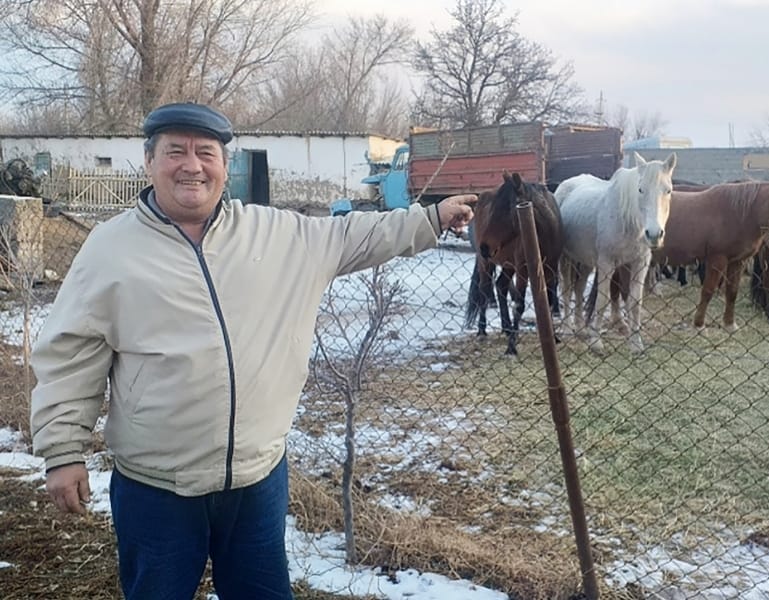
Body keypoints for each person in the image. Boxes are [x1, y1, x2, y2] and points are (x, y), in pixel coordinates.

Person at [29, 102, 476, 600]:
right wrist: (63, 451)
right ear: (150, 161)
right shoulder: (110, 250)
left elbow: (358, 234)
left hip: (256, 479)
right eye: (175, 151)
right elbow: (71, 356)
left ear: (224, 164)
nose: (192, 165)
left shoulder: (277, 233)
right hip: (157, 486)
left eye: (206, 152)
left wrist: (433, 218)